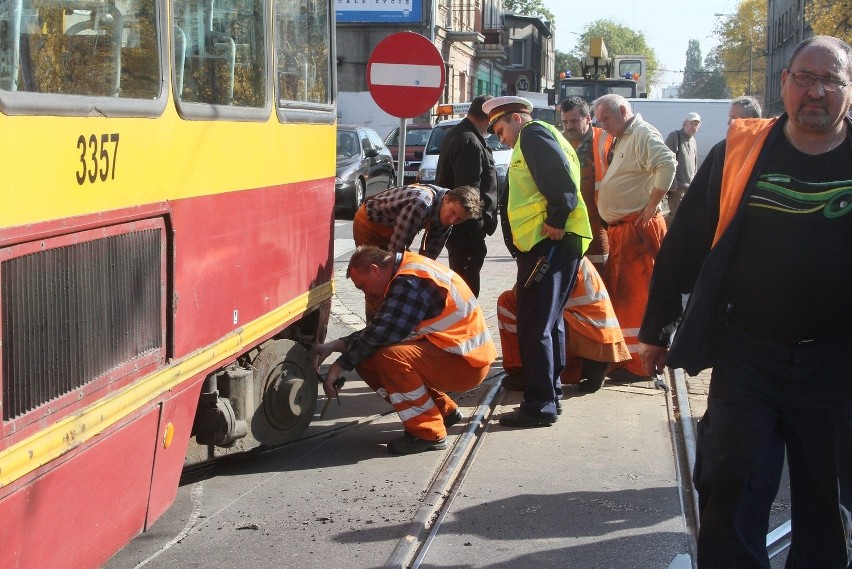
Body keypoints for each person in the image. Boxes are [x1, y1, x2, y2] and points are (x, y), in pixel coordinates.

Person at [638, 36, 852, 567]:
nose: (817, 91)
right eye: (804, 77)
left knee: (829, 496)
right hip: (748, 352)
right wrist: (654, 329)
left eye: (832, 80)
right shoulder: (739, 151)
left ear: (849, 89)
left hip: (837, 358)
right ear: (785, 83)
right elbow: (684, 243)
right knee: (732, 483)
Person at [312, 245, 496, 454]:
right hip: (455, 355)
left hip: (466, 364)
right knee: (367, 358)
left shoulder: (409, 281)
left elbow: (382, 333)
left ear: (375, 269)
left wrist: (338, 367)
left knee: (391, 358)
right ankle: (443, 412)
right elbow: (381, 329)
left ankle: (427, 432)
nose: (366, 293)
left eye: (362, 286)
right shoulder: (406, 270)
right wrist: (335, 346)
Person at [483, 95, 591, 427]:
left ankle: (540, 404)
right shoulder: (538, 137)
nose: (500, 138)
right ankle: (549, 395)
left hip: (550, 242)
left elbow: (560, 183)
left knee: (534, 324)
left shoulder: (533, 134)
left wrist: (557, 221)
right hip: (548, 243)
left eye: (500, 129)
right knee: (548, 322)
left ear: (516, 117)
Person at [592, 94, 676, 382]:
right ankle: (629, 359)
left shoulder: (641, 133)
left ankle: (640, 364)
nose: (604, 126)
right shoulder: (622, 136)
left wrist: (652, 205)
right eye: (600, 121)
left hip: (637, 230)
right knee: (625, 295)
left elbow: (667, 163)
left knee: (637, 297)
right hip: (624, 230)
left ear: (624, 111)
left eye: (607, 119)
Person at [498, 256, 630, 394]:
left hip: (588, 332)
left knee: (518, 307)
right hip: (596, 333)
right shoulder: (565, 250)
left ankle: (529, 373)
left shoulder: (553, 255)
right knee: (510, 301)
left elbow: (531, 298)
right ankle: (585, 365)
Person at [353, 183, 481, 318]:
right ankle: (374, 327)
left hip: (393, 228)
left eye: (459, 219)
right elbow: (396, 250)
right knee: (378, 279)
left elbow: (428, 259)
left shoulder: (446, 216)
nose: (453, 220)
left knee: (400, 279)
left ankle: (393, 322)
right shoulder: (421, 203)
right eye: (453, 212)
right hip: (370, 223)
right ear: (447, 199)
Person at [434, 95, 499, 296]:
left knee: (464, 283)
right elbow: (468, 192)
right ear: (488, 117)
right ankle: (464, 325)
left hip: (464, 227)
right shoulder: (468, 141)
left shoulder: (463, 135)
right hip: (466, 228)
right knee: (466, 288)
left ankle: (463, 323)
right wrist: (477, 223)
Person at [560, 96, 612, 273]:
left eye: (574, 121)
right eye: (565, 122)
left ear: (588, 119)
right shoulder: (558, 142)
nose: (568, 126)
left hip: (598, 224)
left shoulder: (605, 139)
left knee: (600, 278)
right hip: (568, 227)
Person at [664, 112, 701, 223]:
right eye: (691, 123)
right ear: (684, 123)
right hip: (677, 187)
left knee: (684, 215)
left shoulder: (693, 140)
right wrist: (672, 184)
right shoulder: (674, 136)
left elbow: (694, 164)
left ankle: (663, 232)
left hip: (688, 187)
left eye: (696, 124)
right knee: (677, 216)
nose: (693, 127)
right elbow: (666, 160)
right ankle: (661, 234)